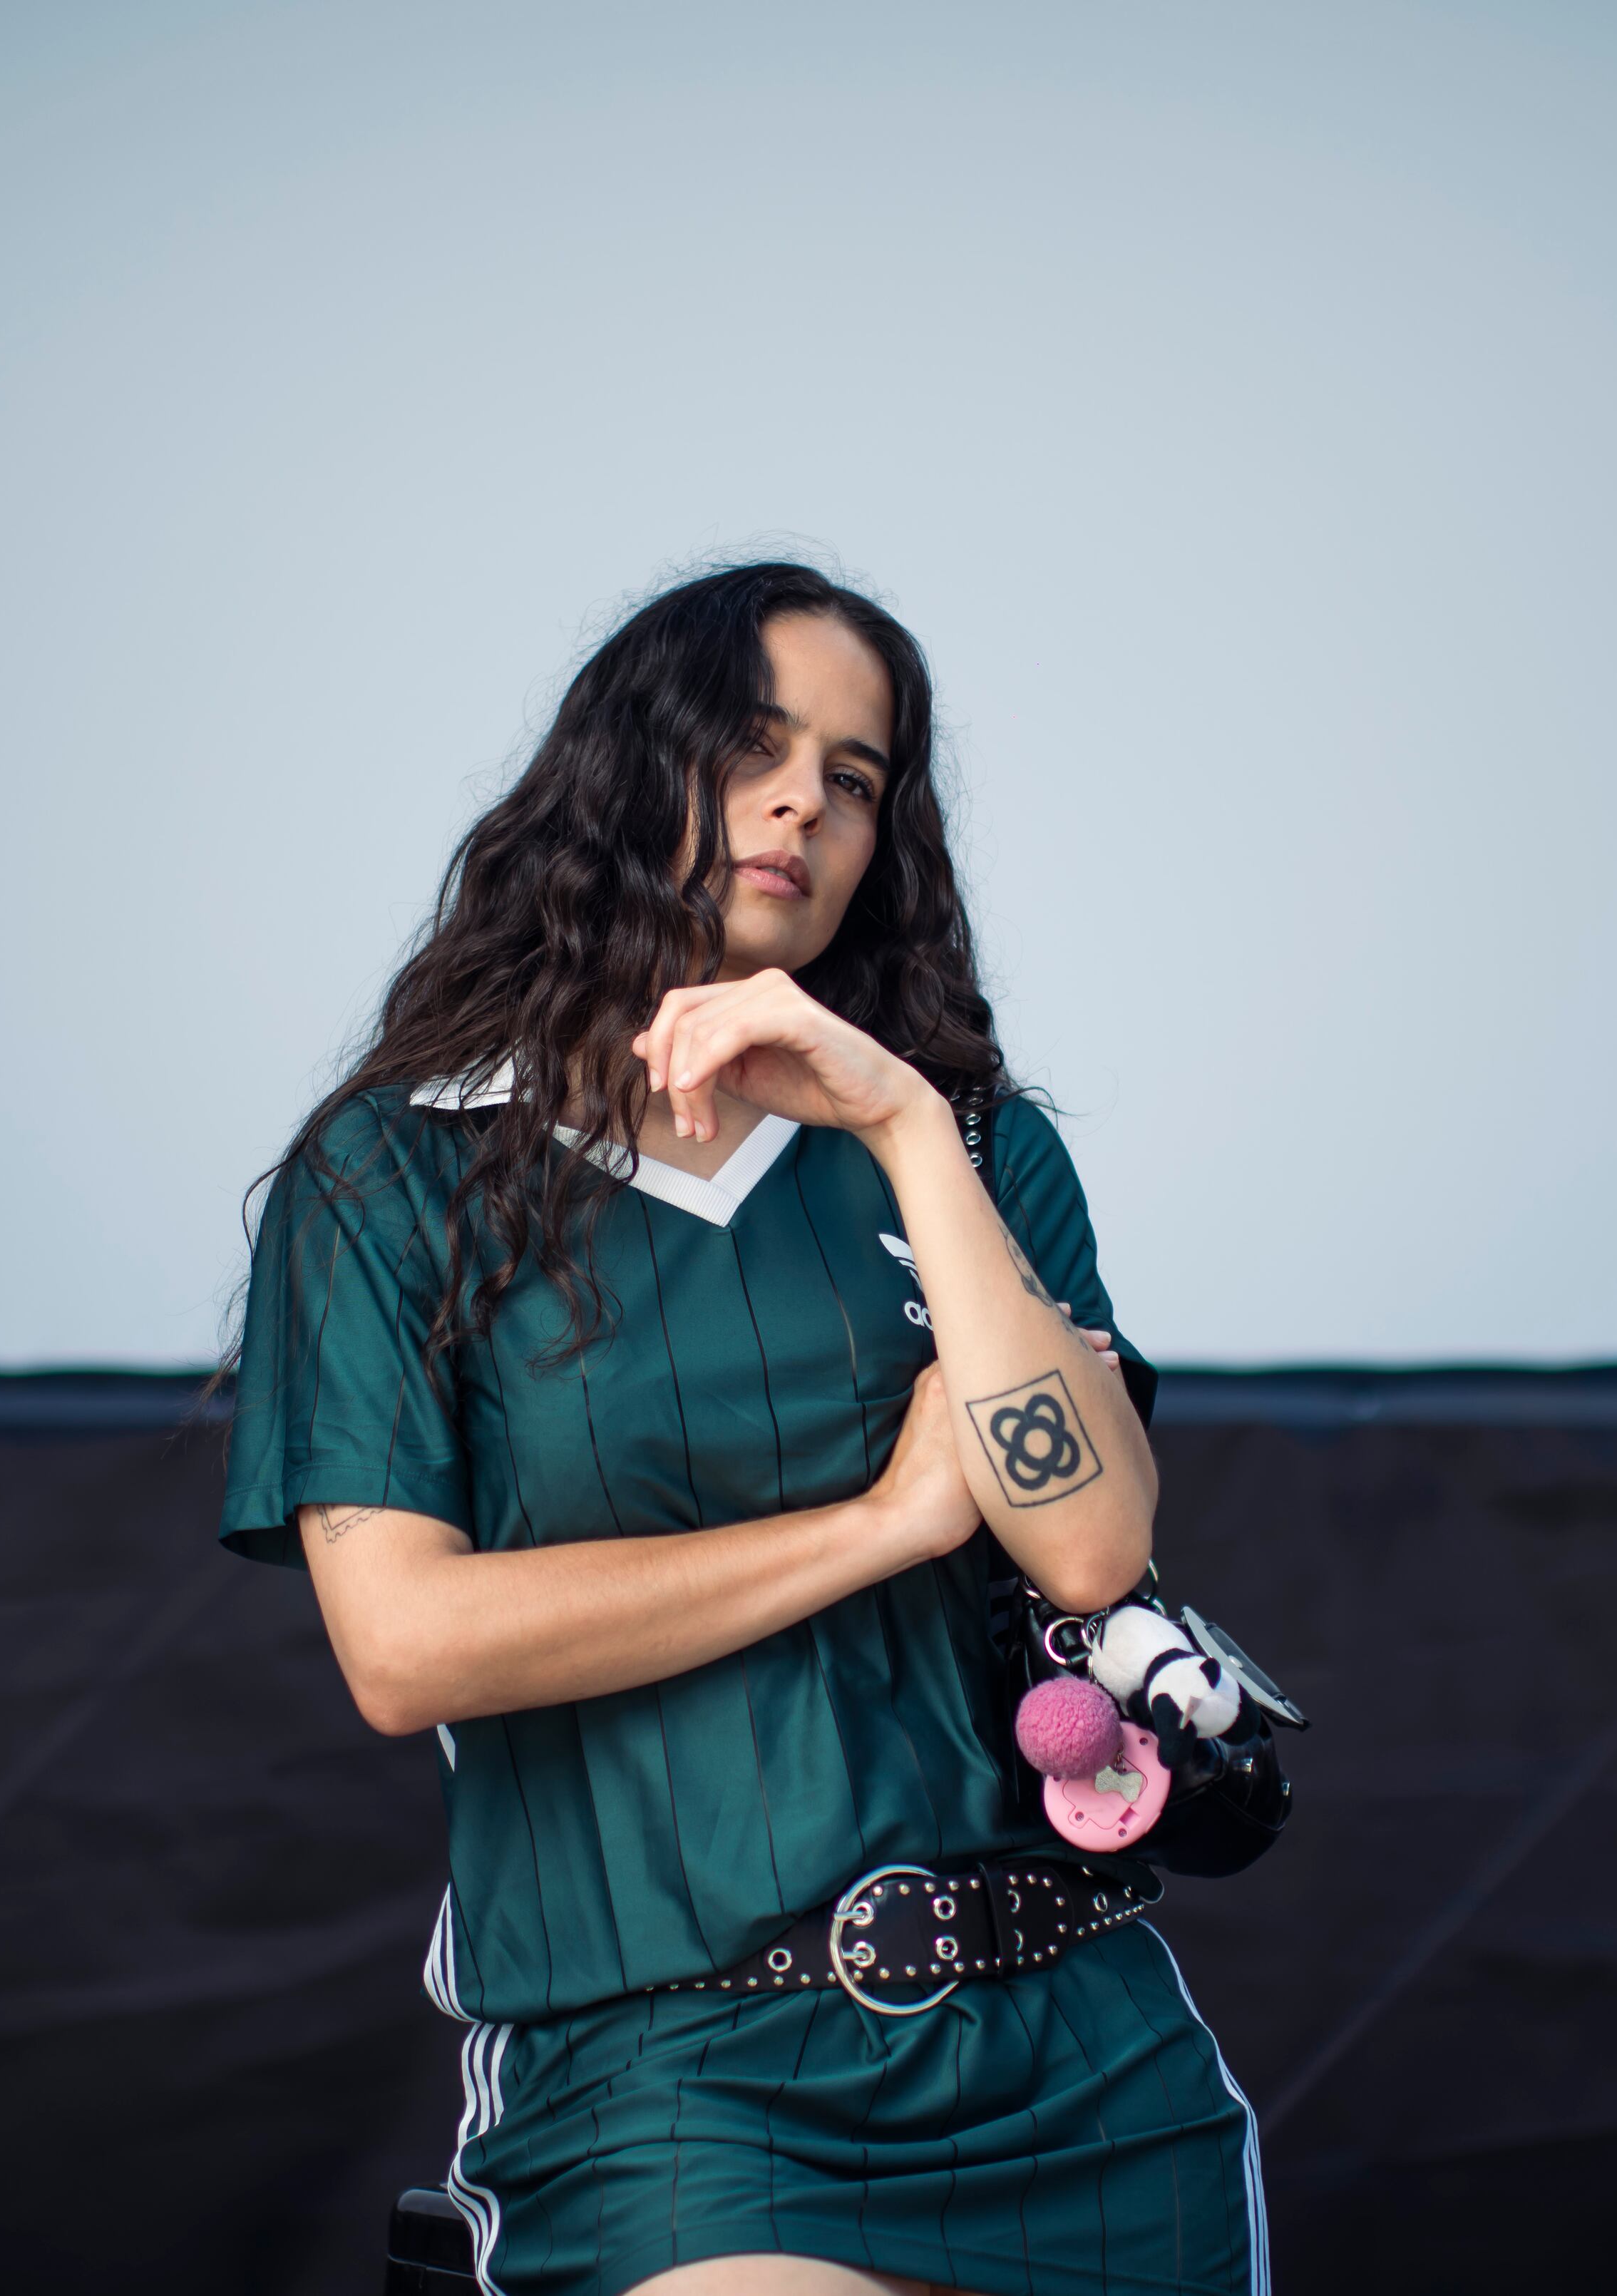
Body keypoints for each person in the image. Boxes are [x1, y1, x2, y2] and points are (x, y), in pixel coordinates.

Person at [220, 563, 1264, 2296]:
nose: (803, 800)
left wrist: (907, 1123)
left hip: (1088, 2060)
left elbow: (1087, 1546)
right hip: (669, 2074)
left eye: (854, 777)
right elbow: (404, 1645)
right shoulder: (392, 1173)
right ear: (628, 771)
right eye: (752, 745)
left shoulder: (980, 1153)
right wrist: (879, 1522)